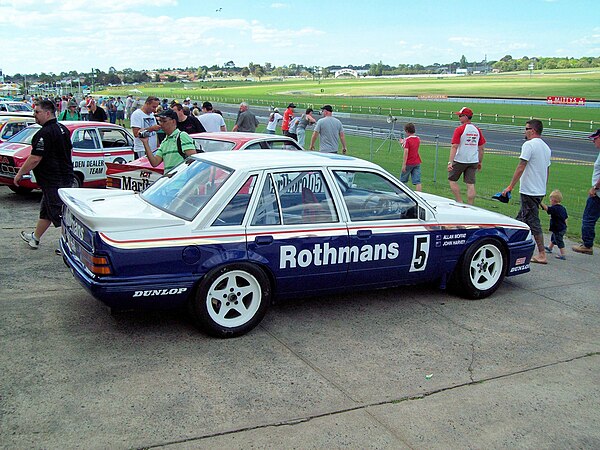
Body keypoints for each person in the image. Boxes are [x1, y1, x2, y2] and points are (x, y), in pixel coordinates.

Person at [15, 100, 74, 249]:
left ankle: (69, 247)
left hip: (54, 181)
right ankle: (35, 238)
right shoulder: (63, 129)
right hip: (61, 178)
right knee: (47, 211)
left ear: (47, 113)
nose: (34, 115)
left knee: (60, 215)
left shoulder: (45, 133)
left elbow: (35, 158)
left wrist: (20, 173)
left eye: (37, 112)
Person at [502, 119, 552, 264]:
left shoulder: (529, 145)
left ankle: (541, 253)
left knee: (532, 221)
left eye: (526, 128)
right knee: (521, 219)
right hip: (539, 189)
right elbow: (547, 170)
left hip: (529, 190)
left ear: (533, 130)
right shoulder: (546, 148)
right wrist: (543, 187)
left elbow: (521, 166)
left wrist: (510, 186)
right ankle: (512, 246)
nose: (525, 131)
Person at [447, 107, 486, 205]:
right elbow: (481, 148)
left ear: (466, 117)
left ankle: (459, 201)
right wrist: (480, 161)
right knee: (470, 184)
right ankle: (470, 205)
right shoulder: (477, 130)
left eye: (460, 116)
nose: (459, 118)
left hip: (460, 159)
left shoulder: (460, 129)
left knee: (452, 180)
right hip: (473, 160)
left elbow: (454, 146)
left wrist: (450, 162)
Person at [139, 109, 197, 173]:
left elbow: (193, 159)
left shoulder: (182, 136)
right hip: (171, 180)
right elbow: (154, 162)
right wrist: (145, 142)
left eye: (164, 121)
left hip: (182, 180)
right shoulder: (164, 141)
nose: (161, 124)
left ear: (173, 121)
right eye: (160, 121)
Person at [572, 129, 600, 255]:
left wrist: (595, 187)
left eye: (595, 138)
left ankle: (587, 245)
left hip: (598, 194)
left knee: (588, 219)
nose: (593, 141)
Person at [541, 190, 568, 260]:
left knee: (559, 240)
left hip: (558, 228)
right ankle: (550, 247)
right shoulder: (563, 208)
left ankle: (563, 254)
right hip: (562, 228)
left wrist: (540, 202)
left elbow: (547, 209)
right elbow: (566, 218)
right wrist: (565, 226)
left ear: (553, 200)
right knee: (554, 237)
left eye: (550, 199)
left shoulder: (554, 208)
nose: (550, 201)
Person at [399, 122, 422, 192]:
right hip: (417, 161)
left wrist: (404, 164)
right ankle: (419, 194)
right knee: (417, 181)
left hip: (409, 162)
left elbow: (406, 152)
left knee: (402, 180)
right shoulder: (418, 139)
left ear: (407, 131)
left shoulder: (407, 140)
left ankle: (403, 193)